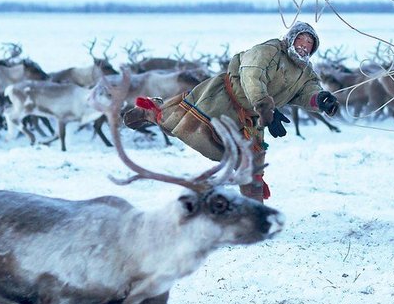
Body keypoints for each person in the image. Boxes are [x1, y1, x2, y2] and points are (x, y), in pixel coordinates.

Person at [122, 21, 340, 201]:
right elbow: (251, 76)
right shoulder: (268, 51)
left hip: (251, 118)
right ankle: (151, 111)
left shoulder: (305, 71)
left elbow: (307, 91)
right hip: (224, 100)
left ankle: (254, 209)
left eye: (309, 43)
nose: (304, 45)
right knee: (181, 123)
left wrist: (321, 100)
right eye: (300, 39)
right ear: (291, 39)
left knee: (252, 160)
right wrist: (266, 107)